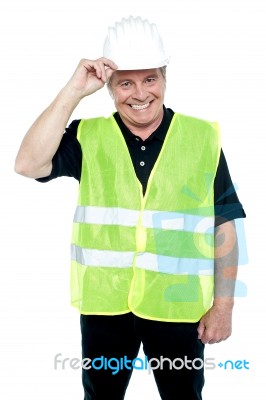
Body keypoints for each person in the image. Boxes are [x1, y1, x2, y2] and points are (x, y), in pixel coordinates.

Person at [15, 15, 246, 400]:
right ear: (109, 87)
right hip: (105, 308)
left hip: (177, 308)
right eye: (125, 82)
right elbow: (28, 164)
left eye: (150, 79)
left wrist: (223, 306)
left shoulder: (201, 136)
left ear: (165, 78)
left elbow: (224, 223)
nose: (140, 93)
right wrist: (73, 91)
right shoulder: (88, 136)